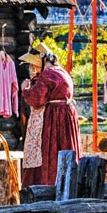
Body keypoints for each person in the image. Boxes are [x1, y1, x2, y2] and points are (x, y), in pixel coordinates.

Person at [20, 45, 81, 186]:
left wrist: (26, 90)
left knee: (50, 152)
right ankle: (67, 184)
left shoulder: (47, 75)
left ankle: (46, 186)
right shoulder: (61, 71)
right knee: (65, 148)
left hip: (54, 118)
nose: (33, 67)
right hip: (66, 116)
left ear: (41, 60)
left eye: (33, 63)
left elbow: (36, 100)